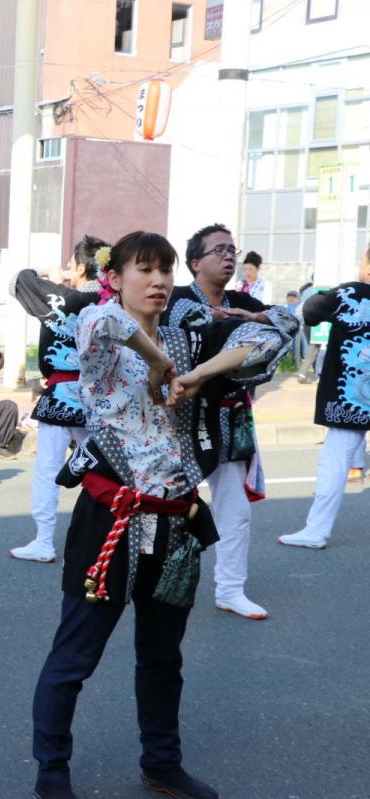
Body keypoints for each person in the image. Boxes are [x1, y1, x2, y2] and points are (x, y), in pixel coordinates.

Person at [30, 231, 291, 799]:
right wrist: (158, 360)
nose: (158, 281)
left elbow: (276, 331)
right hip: (112, 518)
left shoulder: (187, 335)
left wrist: (198, 373)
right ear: (115, 278)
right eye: (144, 269)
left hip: (175, 521)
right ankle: (52, 773)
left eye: (166, 271)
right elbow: (109, 322)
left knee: (163, 658)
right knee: (75, 656)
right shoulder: (97, 326)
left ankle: (162, 763)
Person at [161, 223, 299, 620]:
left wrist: (253, 315)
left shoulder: (241, 300)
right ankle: (153, 582)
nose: (227, 256)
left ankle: (230, 589)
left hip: (228, 415)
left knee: (235, 509)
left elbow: (289, 323)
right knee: (167, 504)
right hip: (180, 416)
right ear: (195, 262)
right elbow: (187, 335)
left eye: (231, 250)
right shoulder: (177, 300)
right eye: (218, 249)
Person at [7, 237, 106, 562]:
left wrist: (53, 273)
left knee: (48, 470)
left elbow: (19, 278)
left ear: (81, 266)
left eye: (72, 264)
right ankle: (103, 537)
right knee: (101, 465)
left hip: (61, 395)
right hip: (98, 398)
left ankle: (43, 541)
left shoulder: (62, 297)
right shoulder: (111, 300)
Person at [279, 246, 370, 549]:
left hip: (351, 399)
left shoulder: (350, 293)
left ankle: (316, 530)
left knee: (334, 463)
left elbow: (310, 311)